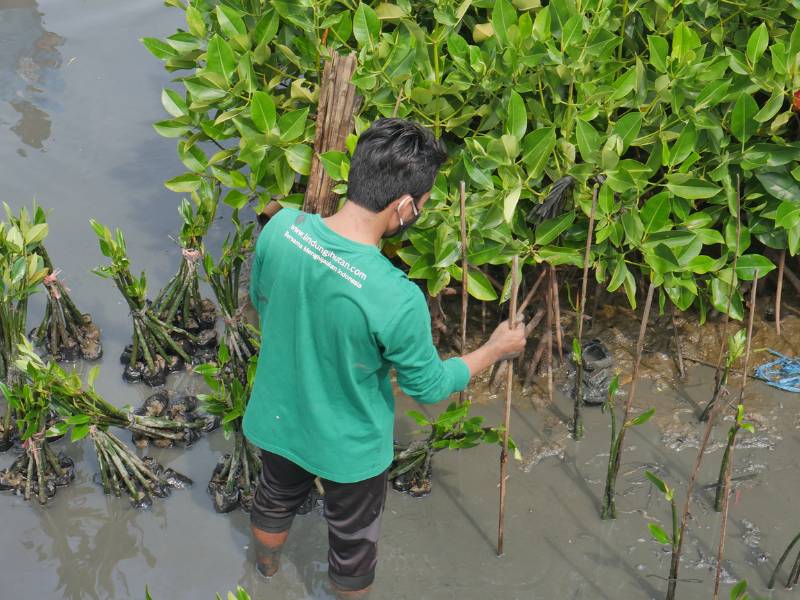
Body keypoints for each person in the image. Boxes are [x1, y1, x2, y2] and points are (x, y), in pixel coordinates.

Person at [243, 118, 526, 599]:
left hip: (275, 419)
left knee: (273, 500)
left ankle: (264, 573)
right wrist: (494, 349)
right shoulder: (397, 298)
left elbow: (260, 299)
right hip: (348, 451)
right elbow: (430, 387)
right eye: (426, 201)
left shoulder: (282, 229)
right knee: (352, 549)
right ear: (404, 207)